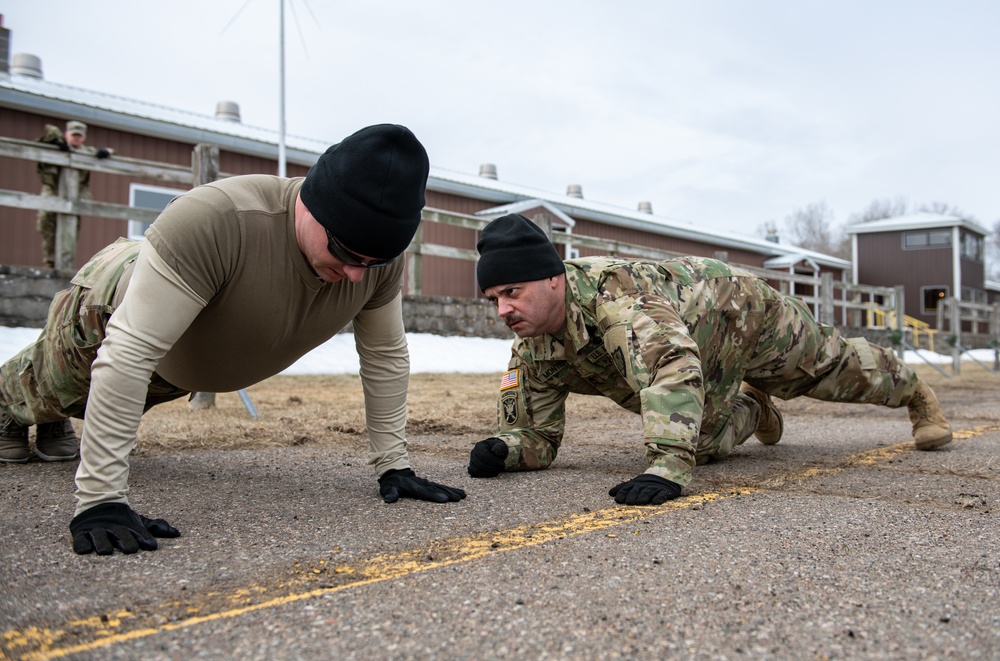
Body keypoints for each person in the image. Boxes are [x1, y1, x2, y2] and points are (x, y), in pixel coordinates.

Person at [0, 123, 466, 556]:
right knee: (40, 386)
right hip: (104, 310)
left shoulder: (374, 265)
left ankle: (55, 419)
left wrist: (394, 463)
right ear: (312, 203)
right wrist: (100, 499)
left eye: (373, 261)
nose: (353, 274)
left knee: (79, 401)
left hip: (184, 357)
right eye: (344, 252)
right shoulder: (215, 220)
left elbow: (385, 356)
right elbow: (128, 353)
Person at [466, 213, 952, 505]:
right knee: (699, 440)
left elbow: (669, 367)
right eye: (494, 299)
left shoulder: (618, 299)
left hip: (740, 311)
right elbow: (538, 436)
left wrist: (666, 467)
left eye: (512, 292)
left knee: (829, 371)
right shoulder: (532, 344)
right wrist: (507, 450)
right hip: (698, 341)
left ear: (553, 278)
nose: (504, 309)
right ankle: (754, 408)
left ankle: (918, 396)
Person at [36, 120, 114, 268]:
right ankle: (50, 263)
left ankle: (63, 263)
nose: (76, 138)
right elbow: (40, 145)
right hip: (53, 192)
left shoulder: (87, 152)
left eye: (79, 136)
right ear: (67, 134)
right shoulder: (56, 146)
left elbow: (110, 151)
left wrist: (106, 152)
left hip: (75, 196)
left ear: (83, 137)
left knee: (71, 229)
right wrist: (56, 147)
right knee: (47, 226)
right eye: (73, 135)